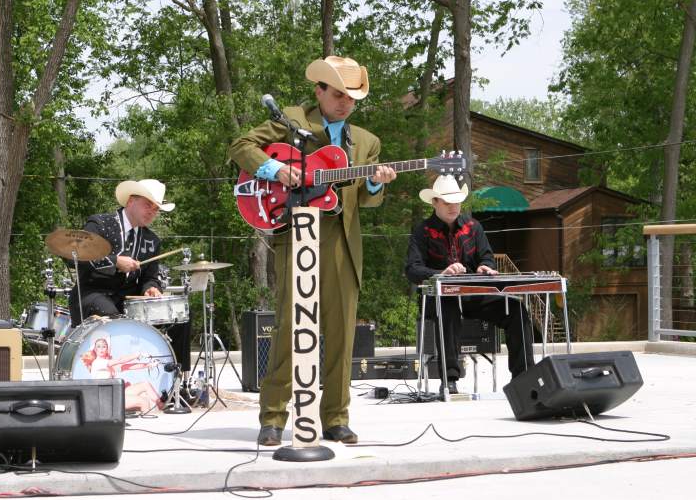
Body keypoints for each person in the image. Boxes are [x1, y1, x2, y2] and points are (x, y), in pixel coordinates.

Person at [229, 56, 397, 446]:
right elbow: (242, 146)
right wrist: (274, 170)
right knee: (290, 325)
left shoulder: (368, 142)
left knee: (341, 333)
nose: (346, 104)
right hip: (296, 232)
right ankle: (272, 417)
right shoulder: (293, 120)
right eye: (338, 95)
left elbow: (369, 201)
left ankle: (336, 418)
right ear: (319, 91)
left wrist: (376, 183)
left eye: (352, 98)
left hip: (342, 239)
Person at [404, 175, 535, 394]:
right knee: (447, 307)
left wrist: (485, 267)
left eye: (456, 201)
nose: (454, 206)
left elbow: (487, 258)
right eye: (447, 202)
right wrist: (441, 273)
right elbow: (412, 269)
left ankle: (523, 378)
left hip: (474, 295)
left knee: (516, 310)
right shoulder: (422, 231)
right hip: (440, 299)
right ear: (435, 202)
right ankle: (450, 380)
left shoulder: (474, 227)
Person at [68, 179, 193, 381]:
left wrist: (151, 288)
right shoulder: (100, 224)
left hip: (127, 299)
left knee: (180, 316)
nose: (152, 212)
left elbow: (149, 278)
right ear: (130, 202)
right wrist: (115, 261)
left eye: (156, 209)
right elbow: (78, 257)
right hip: (92, 293)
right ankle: (118, 384)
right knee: (114, 317)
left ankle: (176, 384)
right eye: (147, 205)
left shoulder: (152, 240)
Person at [80, 333, 164, 413]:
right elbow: (120, 360)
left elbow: (128, 366)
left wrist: (149, 365)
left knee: (145, 385)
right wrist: (138, 354)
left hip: (115, 393)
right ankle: (148, 422)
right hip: (108, 399)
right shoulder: (97, 363)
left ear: (107, 349)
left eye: (104, 346)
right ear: (95, 349)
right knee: (143, 401)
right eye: (99, 347)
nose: (101, 349)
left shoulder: (109, 364)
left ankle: (161, 405)